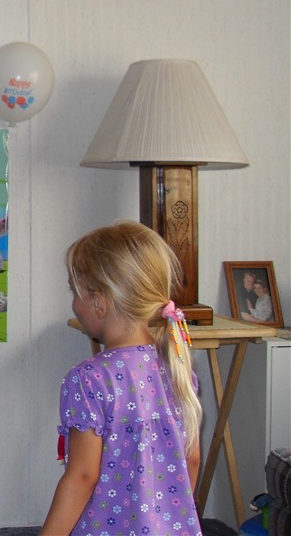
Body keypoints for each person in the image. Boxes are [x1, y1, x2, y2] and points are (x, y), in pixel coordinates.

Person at [41, 221, 202, 536]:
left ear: (99, 303)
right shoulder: (178, 371)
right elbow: (191, 461)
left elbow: (82, 477)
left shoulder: (89, 379)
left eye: (75, 292)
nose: (74, 303)